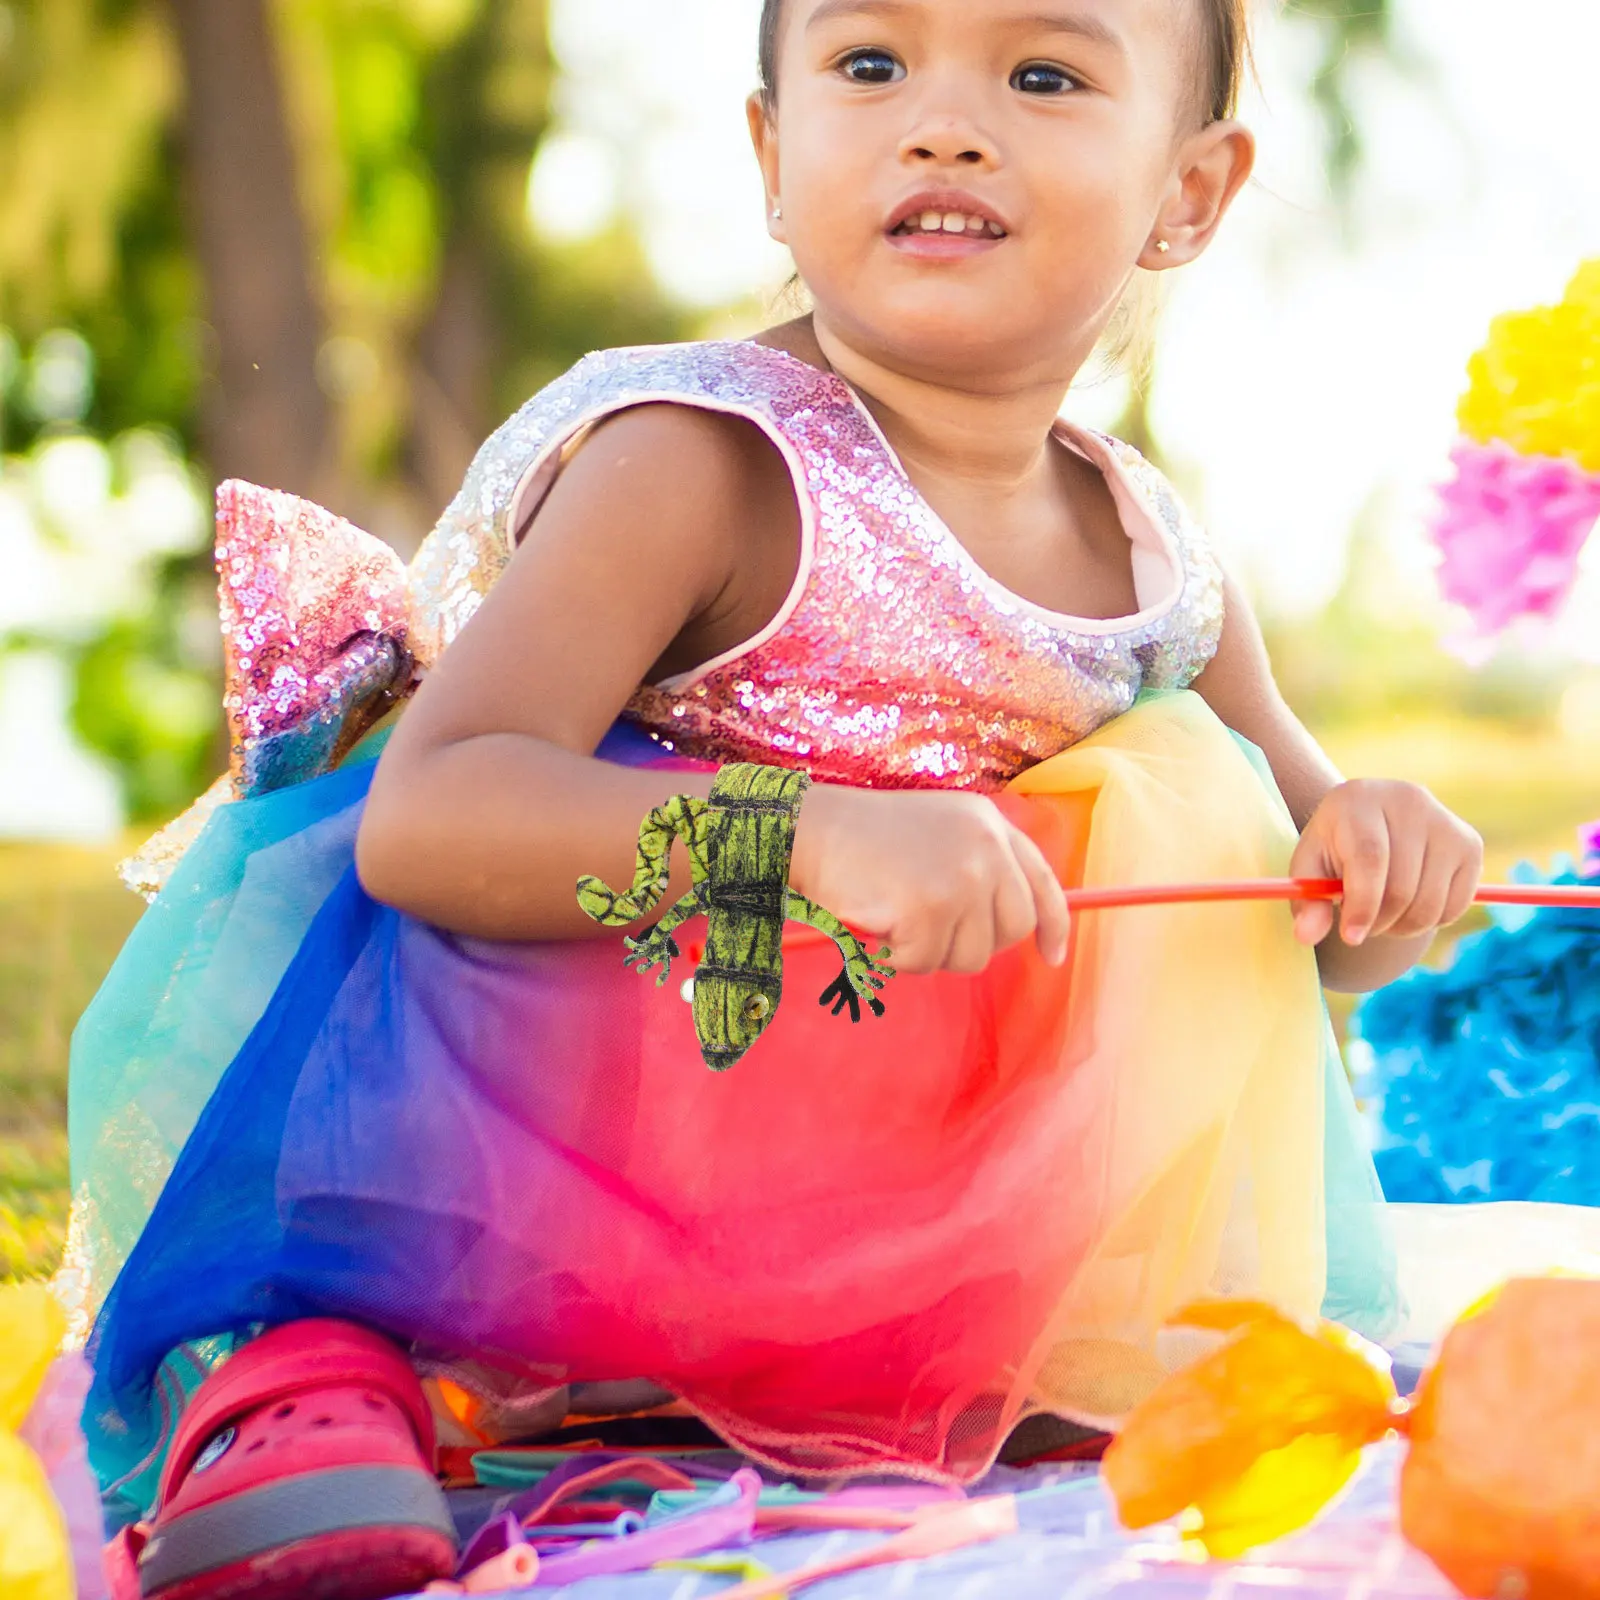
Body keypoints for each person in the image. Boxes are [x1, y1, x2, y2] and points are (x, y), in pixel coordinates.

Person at [67, 0, 1484, 1594]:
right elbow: (430, 816)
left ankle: (891, 1355)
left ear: (1192, 192)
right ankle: (308, 1352)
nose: (942, 123)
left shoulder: (1153, 555)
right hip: (534, 1127)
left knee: (1194, 783)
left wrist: (1378, 858)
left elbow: (1301, 929)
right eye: (870, 65)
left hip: (871, 1191)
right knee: (373, 1220)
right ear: (769, 151)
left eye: (1043, 73)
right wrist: (812, 839)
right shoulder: (707, 456)